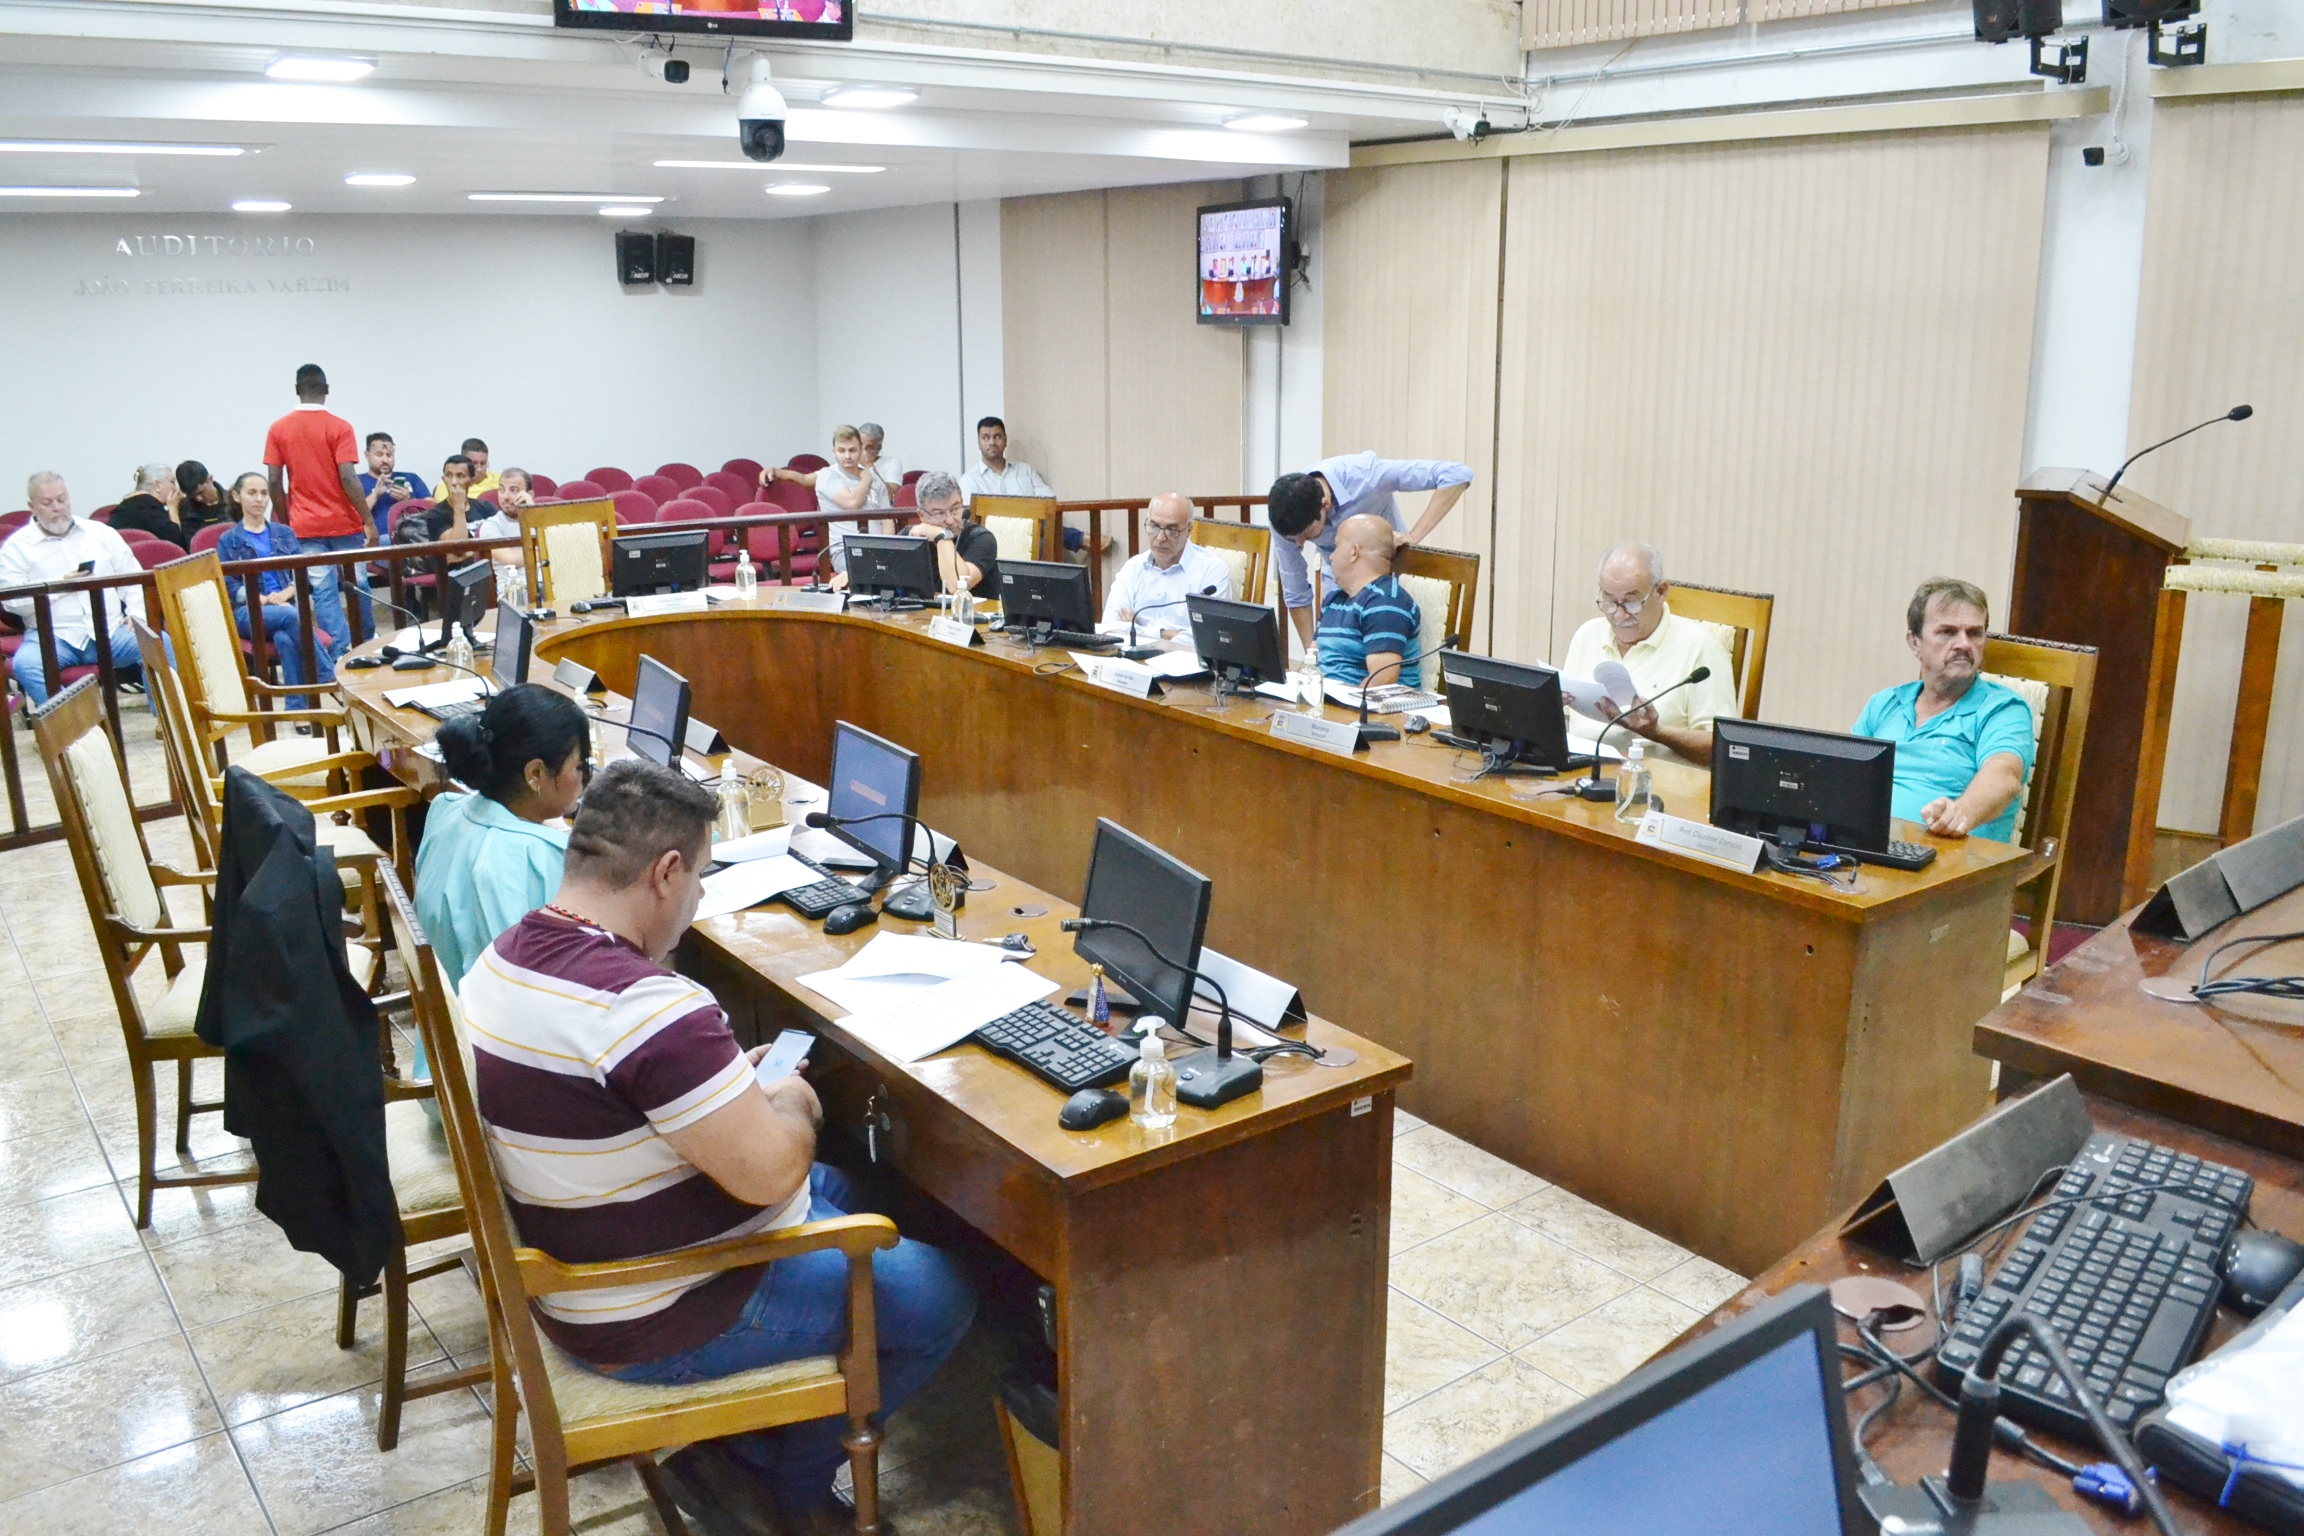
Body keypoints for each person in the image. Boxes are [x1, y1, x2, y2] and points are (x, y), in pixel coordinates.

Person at [459, 759, 976, 1534]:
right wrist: (793, 1101)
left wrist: (723, 1086)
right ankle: (781, 1484)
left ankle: (746, 1446)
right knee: (942, 1296)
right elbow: (772, 1173)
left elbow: (623, 1090)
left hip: (582, 1267)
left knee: (865, 1193)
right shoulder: (647, 1008)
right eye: (700, 877)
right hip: (656, 1309)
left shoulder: (505, 957)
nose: (698, 897)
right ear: (666, 872)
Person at [413, 683, 589, 985]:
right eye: (579, 766)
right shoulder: (541, 857)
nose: (584, 777)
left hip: (445, 1006)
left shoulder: (445, 808)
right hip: (495, 1014)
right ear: (535, 774)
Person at [1853, 577, 2035, 842]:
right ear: (1915, 642)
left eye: (1974, 633)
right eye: (1948, 632)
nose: (1964, 644)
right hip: (1869, 848)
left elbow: (2004, 775)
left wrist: (1961, 813)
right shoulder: (1884, 703)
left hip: (1952, 856)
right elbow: (1847, 777)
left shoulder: (2003, 710)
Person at [1267, 451, 1472, 649]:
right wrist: (1312, 656)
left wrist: (1414, 536)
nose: (1300, 544)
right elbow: (1296, 592)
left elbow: (1456, 475)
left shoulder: (1367, 475)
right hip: (1339, 590)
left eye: (1307, 534)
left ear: (1325, 504)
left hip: (1390, 583)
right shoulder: (1284, 516)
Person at [1560, 544, 1739, 767]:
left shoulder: (1702, 648)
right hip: (1582, 775)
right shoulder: (1588, 634)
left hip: (1658, 782)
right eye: (1610, 601)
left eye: (1631, 602)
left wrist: (1657, 732)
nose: (1620, 615)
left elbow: (1723, 750)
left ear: (1661, 591)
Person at [0, 473, 146, 706]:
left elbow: (133, 577)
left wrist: (137, 612)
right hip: (53, 636)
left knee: (159, 644)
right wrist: (58, 586)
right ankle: (73, 724)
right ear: (32, 507)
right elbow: (12, 603)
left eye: (62, 499)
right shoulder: (16, 548)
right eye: (47, 503)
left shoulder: (101, 533)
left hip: (109, 630)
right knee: (26, 664)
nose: (58, 507)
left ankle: (168, 718)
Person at [215, 471, 341, 709]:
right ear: (237, 496)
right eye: (252, 493)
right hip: (248, 611)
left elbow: (301, 575)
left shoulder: (284, 533)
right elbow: (229, 586)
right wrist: (263, 599)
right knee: (290, 615)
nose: (259, 499)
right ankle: (327, 674)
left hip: (285, 607)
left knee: (285, 639)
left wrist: (285, 595)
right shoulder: (228, 540)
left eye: (264, 493)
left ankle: (297, 711)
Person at [262, 362, 369, 638]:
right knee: (358, 584)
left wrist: (287, 520)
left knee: (322, 590)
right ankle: (367, 640)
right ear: (327, 389)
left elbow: (274, 482)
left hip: (304, 524)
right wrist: (368, 520)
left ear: (296, 390)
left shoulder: (278, 429)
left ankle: (338, 649)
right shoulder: (341, 427)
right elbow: (348, 477)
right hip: (345, 522)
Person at [769, 425, 888, 587]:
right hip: (845, 550)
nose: (847, 456)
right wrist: (866, 479)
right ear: (834, 452)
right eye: (841, 451)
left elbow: (887, 519)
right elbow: (852, 503)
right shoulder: (828, 476)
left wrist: (887, 548)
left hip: (877, 549)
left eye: (852, 450)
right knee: (863, 576)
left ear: (861, 449)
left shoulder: (876, 480)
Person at [1101, 492, 1234, 636]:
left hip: (1183, 652)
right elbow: (1109, 626)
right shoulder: (1133, 568)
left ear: (1189, 530)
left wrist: (1136, 630)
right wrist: (1165, 634)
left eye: (1171, 530)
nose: (1160, 538)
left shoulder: (1211, 571)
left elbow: (1207, 637)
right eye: (1154, 526)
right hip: (1135, 650)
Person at [1312, 514, 1420, 688]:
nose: (1331, 557)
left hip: (1365, 702)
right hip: (1324, 698)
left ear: (1354, 552)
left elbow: (1382, 680)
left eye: (1337, 546)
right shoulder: (1333, 599)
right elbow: (1312, 659)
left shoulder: (1386, 602)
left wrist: (1338, 704)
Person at [903, 470, 999, 597]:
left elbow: (957, 587)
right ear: (921, 515)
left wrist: (942, 537)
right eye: (939, 513)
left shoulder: (982, 539)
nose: (950, 520)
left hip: (972, 609)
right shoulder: (911, 536)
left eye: (955, 509)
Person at [393, 455, 482, 544]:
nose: (453, 482)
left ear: (472, 481)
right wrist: (459, 507)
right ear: (443, 479)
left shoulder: (484, 506)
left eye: (460, 476)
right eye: (449, 475)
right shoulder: (435, 515)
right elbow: (457, 547)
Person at [958, 416, 1052, 500]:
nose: (992, 442)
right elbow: (969, 513)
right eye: (986, 438)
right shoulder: (969, 480)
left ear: (1005, 440)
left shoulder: (1026, 471)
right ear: (978, 443)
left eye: (997, 437)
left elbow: (1050, 501)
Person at [109, 461, 194, 550]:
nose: (176, 488)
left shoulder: (124, 507)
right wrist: (173, 508)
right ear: (157, 485)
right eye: (172, 482)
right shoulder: (150, 508)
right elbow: (175, 545)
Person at [359, 432, 428, 537]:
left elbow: (433, 509)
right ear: (367, 456)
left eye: (389, 455)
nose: (385, 460)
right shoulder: (357, 482)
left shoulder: (412, 478)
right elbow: (351, 517)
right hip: (376, 539)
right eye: (379, 455)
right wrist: (375, 495)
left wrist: (409, 499)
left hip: (412, 537)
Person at [477, 468, 533, 569]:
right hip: (514, 579)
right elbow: (511, 560)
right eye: (502, 490)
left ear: (529, 495)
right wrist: (546, 551)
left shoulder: (542, 521)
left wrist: (533, 511)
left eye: (513, 490)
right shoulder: (491, 525)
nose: (505, 497)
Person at [174, 460, 228, 537]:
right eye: (192, 495)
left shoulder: (234, 502)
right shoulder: (183, 509)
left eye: (201, 492)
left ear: (210, 479)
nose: (198, 498)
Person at [858, 422, 903, 488]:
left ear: (879, 448)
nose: (863, 450)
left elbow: (892, 492)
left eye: (869, 447)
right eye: (860, 444)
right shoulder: (848, 461)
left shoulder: (892, 463)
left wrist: (870, 467)